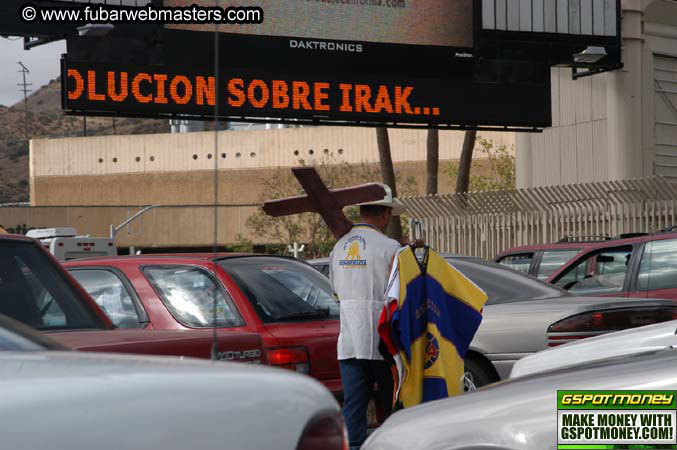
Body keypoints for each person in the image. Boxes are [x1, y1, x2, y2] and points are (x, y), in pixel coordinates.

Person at [329, 183, 405, 450]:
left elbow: (336, 290)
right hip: (383, 342)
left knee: (354, 406)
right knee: (393, 403)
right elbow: (400, 293)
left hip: (349, 340)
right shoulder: (390, 247)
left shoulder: (339, 247)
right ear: (384, 214)